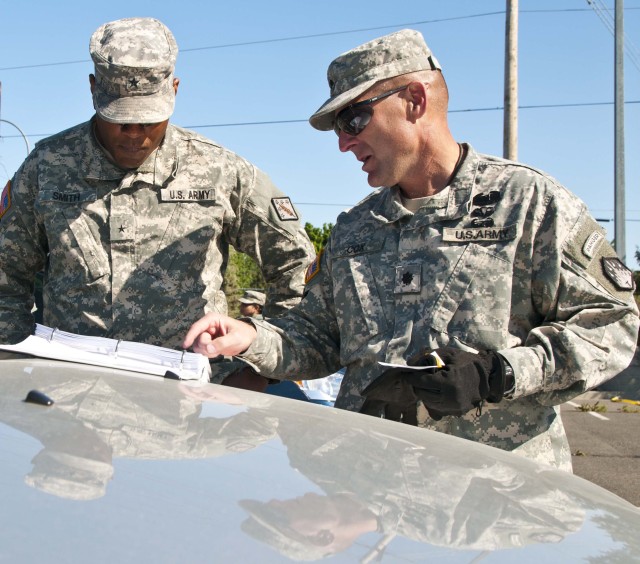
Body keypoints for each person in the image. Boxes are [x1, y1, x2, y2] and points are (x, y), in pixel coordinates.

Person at [183, 29, 640, 471]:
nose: (343, 142)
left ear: (415, 101)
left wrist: (499, 374)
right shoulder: (355, 230)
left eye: (353, 120)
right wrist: (250, 338)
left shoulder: (527, 205)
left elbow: (612, 325)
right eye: (338, 129)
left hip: (497, 501)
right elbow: (318, 340)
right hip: (370, 491)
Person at [0, 17, 314, 350]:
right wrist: (12, 358)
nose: (134, 131)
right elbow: (6, 273)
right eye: (119, 116)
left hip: (187, 389)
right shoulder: (47, 165)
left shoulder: (219, 169)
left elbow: (296, 261)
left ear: (175, 90)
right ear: (93, 88)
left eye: (149, 117)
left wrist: (262, 357)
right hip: (68, 382)